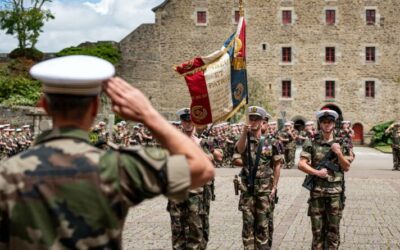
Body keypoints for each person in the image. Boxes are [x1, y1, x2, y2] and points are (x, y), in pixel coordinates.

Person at [0, 55, 215, 249]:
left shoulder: (7, 175)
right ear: (95, 107)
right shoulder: (117, 167)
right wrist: (148, 115)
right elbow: (201, 168)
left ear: (44, 105)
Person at [298, 108, 354, 250]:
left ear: (334, 124)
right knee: (317, 233)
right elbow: (301, 164)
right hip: (317, 194)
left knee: (333, 232)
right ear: (320, 124)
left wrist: (339, 153)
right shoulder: (312, 142)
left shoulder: (343, 142)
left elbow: (346, 167)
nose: (327, 124)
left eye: (330, 122)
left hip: (335, 195)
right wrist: (316, 172)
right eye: (324, 122)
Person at [235, 106, 284, 249]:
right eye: (251, 118)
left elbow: (277, 165)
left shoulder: (272, 142)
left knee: (263, 227)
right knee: (248, 227)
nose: (254, 121)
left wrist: (274, 187)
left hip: (264, 192)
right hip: (248, 192)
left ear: (262, 120)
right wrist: (244, 132)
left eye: (257, 118)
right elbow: (240, 150)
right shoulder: (244, 140)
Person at [167, 107, 213, 250]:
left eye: (190, 120)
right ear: (181, 122)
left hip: (196, 193)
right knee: (177, 230)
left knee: (196, 230)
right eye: (185, 121)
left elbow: (216, 156)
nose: (188, 124)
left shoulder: (202, 142)